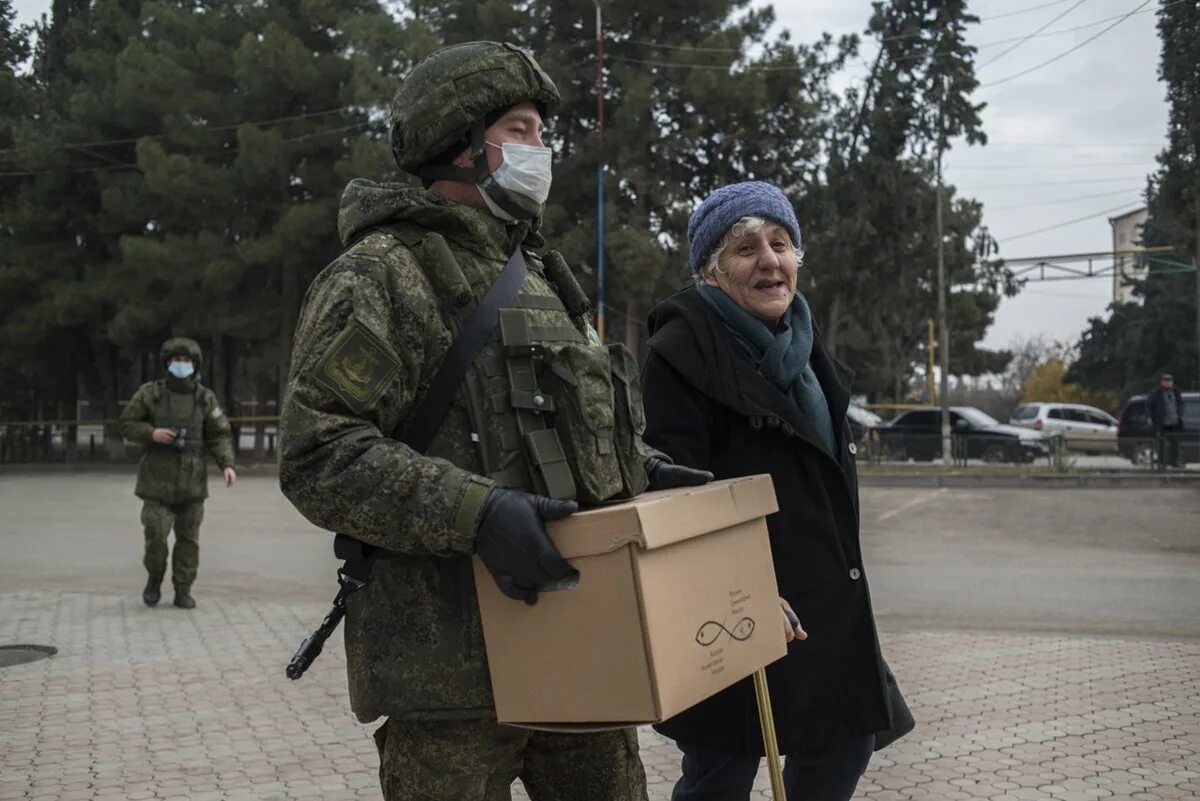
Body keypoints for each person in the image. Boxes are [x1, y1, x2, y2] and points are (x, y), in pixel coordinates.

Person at [278, 41, 708, 801]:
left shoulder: (545, 278)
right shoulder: (382, 275)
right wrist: (478, 515)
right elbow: (320, 453)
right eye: (520, 129)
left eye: (543, 132)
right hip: (446, 677)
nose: (541, 150)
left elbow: (562, 424)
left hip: (579, 644)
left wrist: (639, 469)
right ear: (461, 143)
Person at [640, 181, 914, 801]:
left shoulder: (807, 347)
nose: (769, 259)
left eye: (781, 243)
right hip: (736, 600)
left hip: (825, 599)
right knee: (723, 768)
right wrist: (746, 591)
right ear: (711, 272)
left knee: (846, 744)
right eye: (745, 248)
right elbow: (674, 488)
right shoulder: (680, 351)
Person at [119, 337, 236, 609]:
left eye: (186, 361)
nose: (181, 365)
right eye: (175, 360)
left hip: (192, 484)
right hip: (156, 481)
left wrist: (227, 464)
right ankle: (154, 579)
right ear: (167, 363)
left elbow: (218, 434)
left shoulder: (204, 398)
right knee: (156, 535)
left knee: (188, 541)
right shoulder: (151, 394)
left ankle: (183, 589)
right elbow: (127, 423)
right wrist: (152, 433)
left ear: (194, 365)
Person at [1147, 372, 1185, 468]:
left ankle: (1175, 461)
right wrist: (1150, 417)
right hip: (1162, 422)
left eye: (1169, 381)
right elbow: (1149, 406)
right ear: (1162, 382)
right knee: (1161, 444)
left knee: (1175, 443)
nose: (1168, 383)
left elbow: (1180, 404)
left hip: (1174, 422)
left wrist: (1180, 414)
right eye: (1166, 381)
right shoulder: (1156, 393)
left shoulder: (1176, 392)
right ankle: (1161, 463)